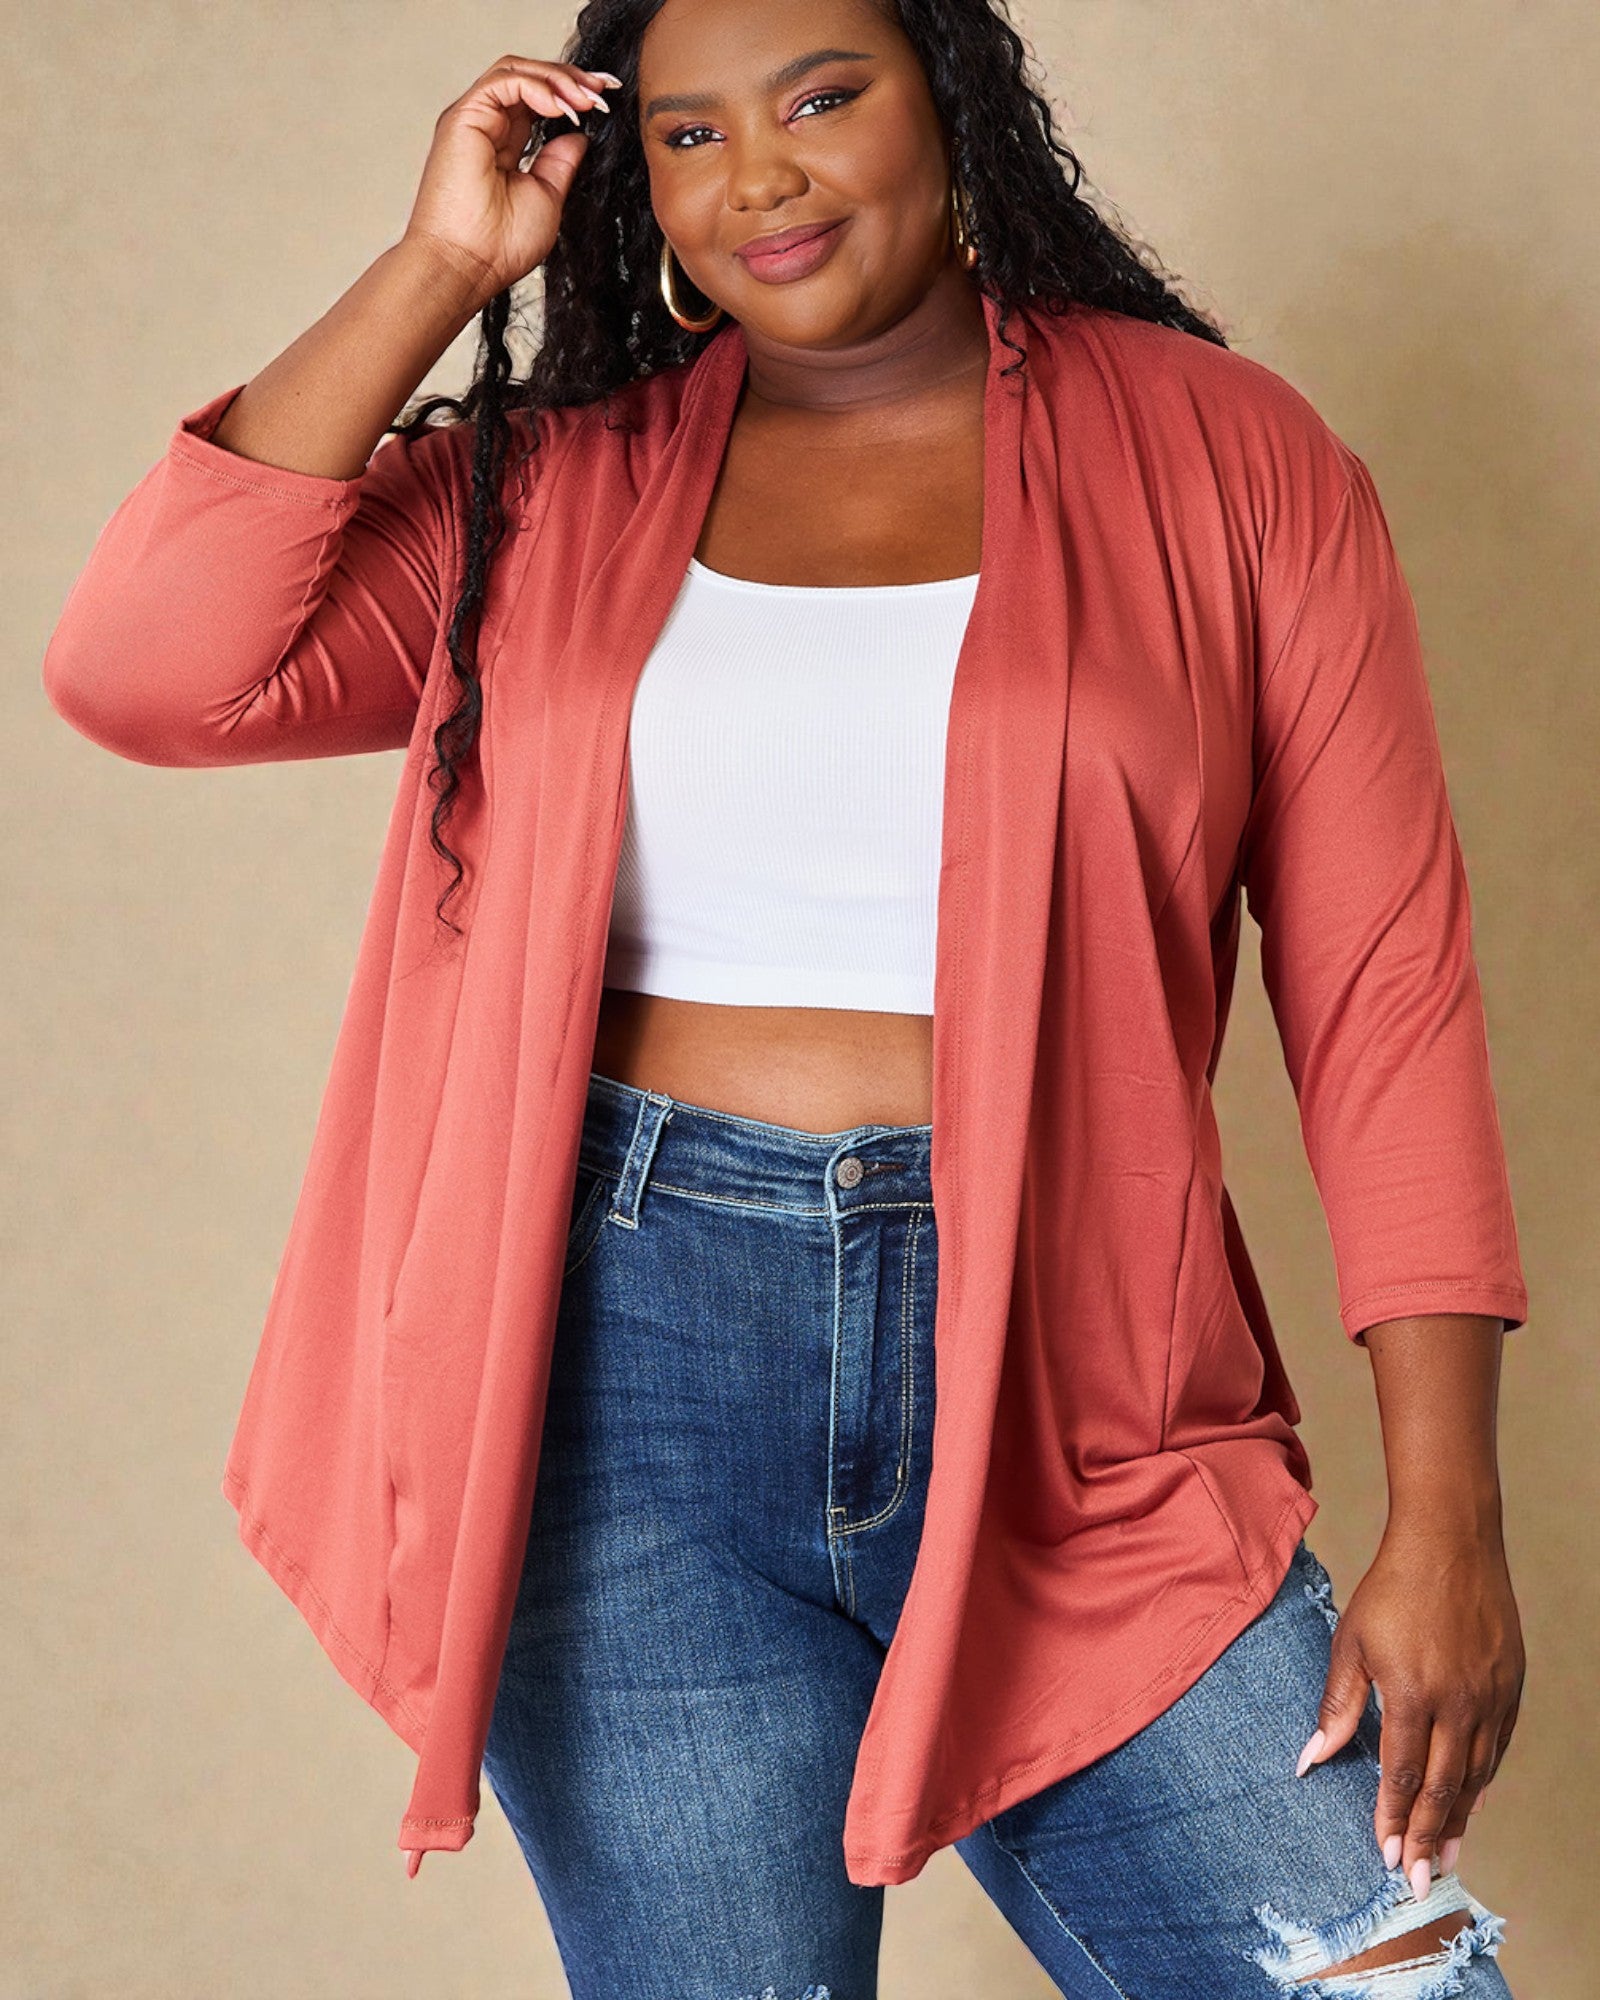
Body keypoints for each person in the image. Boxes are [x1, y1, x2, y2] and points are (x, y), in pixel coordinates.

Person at [42, 2, 1529, 1993]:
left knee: (1389, 1972)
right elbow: (150, 666)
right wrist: (438, 268)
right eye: (685, 133)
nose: (760, 176)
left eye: (822, 98)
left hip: (1079, 1380)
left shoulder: (1221, 454)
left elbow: (1382, 995)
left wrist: (1443, 1516)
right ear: (629, 182)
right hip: (621, 1374)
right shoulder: (552, 484)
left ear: (953, 102)